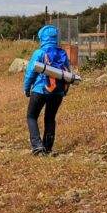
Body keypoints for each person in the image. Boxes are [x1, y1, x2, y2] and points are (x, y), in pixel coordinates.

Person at [24, 25, 71, 155]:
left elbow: (30, 73)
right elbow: (67, 73)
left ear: (41, 38)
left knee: (31, 116)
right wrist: (64, 91)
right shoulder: (62, 53)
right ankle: (48, 148)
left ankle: (37, 146)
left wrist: (27, 89)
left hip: (40, 90)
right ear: (56, 37)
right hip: (58, 92)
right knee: (50, 119)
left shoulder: (39, 53)